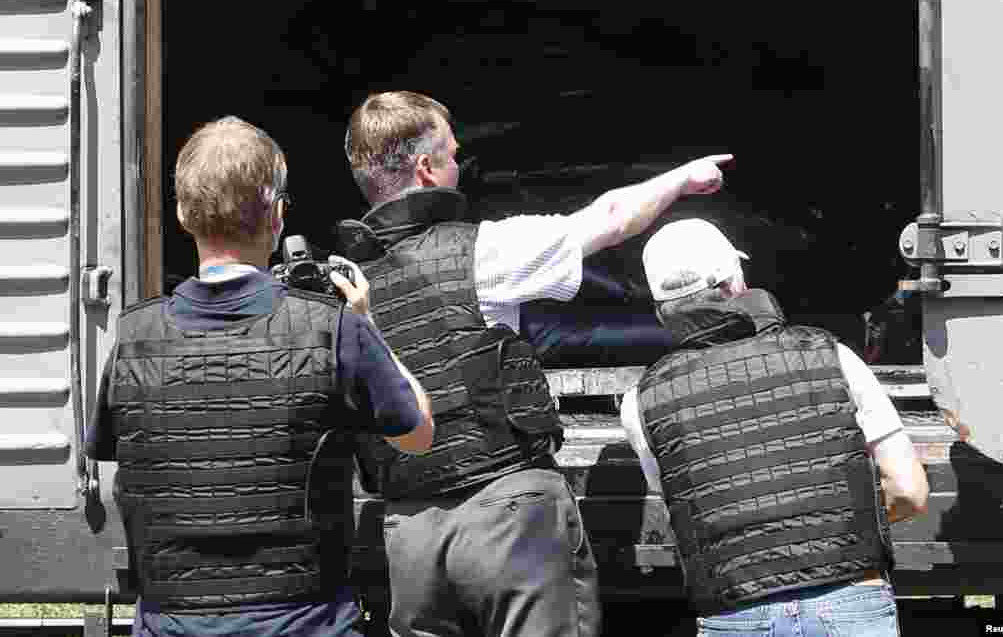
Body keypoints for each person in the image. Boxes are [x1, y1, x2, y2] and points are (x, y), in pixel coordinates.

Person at [336, 90, 732, 637]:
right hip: (507, 514)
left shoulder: (341, 286)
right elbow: (610, 218)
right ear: (426, 170)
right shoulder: (485, 252)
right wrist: (682, 180)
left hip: (408, 532)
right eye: (453, 156)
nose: (461, 165)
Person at [85, 116, 434, 637]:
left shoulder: (132, 338)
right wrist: (365, 323)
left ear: (182, 214)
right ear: (276, 217)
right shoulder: (333, 328)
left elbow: (124, 466)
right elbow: (419, 433)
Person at [619, 218, 929, 637]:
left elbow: (686, 511)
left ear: (661, 310)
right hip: (851, 599)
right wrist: (839, 532)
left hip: (736, 612)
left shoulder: (641, 400)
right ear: (734, 282)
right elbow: (908, 489)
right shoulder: (831, 354)